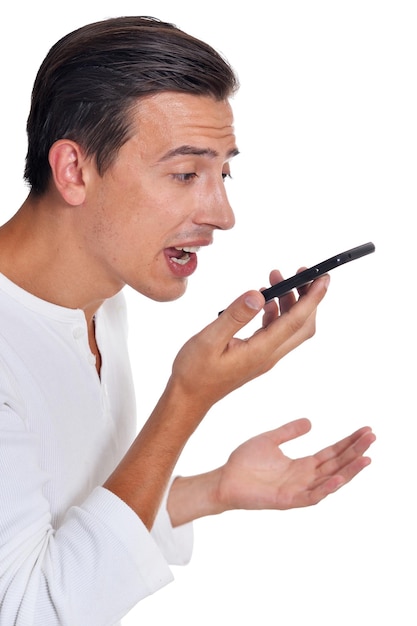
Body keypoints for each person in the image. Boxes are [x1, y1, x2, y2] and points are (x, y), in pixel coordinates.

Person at [0, 15, 376, 626]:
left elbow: (59, 519)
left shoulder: (103, 296)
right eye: (185, 174)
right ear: (74, 170)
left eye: (222, 171)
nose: (223, 214)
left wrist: (215, 489)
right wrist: (188, 398)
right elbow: (30, 609)